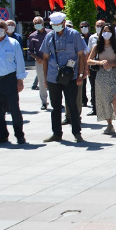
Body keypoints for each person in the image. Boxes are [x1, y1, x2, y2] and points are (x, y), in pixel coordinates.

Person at [40, 12, 87, 143]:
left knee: (72, 105)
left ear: (64, 23)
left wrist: (80, 74)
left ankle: (77, 133)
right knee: (55, 107)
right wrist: (45, 78)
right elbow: (45, 58)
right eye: (53, 25)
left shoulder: (74, 34)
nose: (56, 27)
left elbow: (81, 55)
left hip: (70, 76)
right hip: (53, 76)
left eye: (58, 24)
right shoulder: (49, 36)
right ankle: (56, 133)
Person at [87, 22, 116, 135]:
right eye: (104, 31)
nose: (106, 33)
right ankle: (109, 124)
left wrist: (111, 64)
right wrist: (99, 62)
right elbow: (89, 60)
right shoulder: (97, 46)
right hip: (101, 74)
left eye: (108, 31)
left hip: (113, 74)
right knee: (105, 100)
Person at [27, 16, 48, 110]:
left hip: (51, 61)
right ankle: (44, 102)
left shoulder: (51, 33)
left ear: (43, 23)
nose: (37, 24)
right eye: (35, 23)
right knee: (42, 82)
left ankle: (57, 101)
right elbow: (30, 51)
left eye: (39, 22)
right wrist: (37, 58)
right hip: (40, 61)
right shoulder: (32, 36)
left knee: (55, 81)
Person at [86, 20, 105, 116]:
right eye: (98, 25)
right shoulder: (92, 38)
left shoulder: (108, 37)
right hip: (94, 64)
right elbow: (89, 53)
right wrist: (87, 68)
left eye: (101, 25)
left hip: (105, 65)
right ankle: (95, 108)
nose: (99, 27)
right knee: (94, 87)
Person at [79, 21, 92, 110]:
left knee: (93, 82)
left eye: (85, 26)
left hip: (91, 61)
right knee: (82, 82)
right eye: (81, 27)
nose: (84, 28)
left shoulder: (92, 37)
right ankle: (83, 100)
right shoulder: (79, 37)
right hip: (82, 62)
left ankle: (93, 100)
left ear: (89, 27)